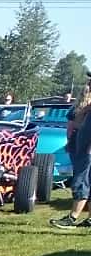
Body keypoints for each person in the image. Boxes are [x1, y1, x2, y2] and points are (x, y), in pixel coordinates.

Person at [51, 88, 91, 229]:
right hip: (82, 147)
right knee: (88, 181)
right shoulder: (86, 108)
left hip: (86, 150)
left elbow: (73, 126)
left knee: (81, 180)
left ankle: (72, 217)